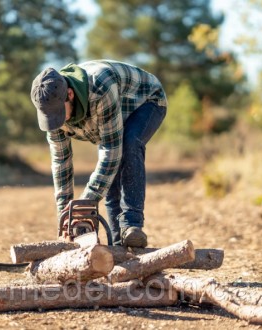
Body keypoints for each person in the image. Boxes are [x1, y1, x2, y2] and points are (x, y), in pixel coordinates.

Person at [30, 60, 167, 247]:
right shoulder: (52, 107)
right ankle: (119, 243)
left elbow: (111, 151)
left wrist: (84, 204)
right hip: (112, 114)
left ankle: (132, 225)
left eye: (59, 114)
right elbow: (61, 162)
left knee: (128, 144)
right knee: (108, 177)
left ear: (69, 94)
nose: (57, 122)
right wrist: (65, 216)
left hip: (146, 101)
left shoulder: (100, 87)